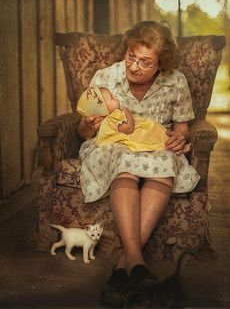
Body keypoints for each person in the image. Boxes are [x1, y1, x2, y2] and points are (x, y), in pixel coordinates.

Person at [77, 20, 200, 305]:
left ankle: (124, 267)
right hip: (115, 145)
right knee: (124, 163)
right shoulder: (104, 78)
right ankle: (137, 262)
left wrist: (179, 139)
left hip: (154, 143)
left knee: (165, 164)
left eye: (145, 62)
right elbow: (84, 131)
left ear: (162, 64)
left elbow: (182, 128)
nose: (134, 67)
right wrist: (88, 124)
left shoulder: (176, 81)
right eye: (131, 56)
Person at [77, 85, 169, 152]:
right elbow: (129, 128)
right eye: (112, 98)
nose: (116, 97)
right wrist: (127, 111)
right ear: (103, 109)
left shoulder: (110, 118)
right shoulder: (112, 118)